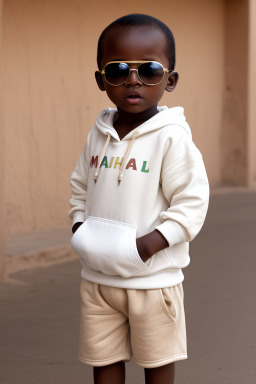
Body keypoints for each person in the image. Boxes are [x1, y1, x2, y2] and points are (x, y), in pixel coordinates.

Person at [69, 13, 209, 384]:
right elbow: (80, 185)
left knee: (157, 361)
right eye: (117, 70)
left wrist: (147, 245)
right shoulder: (97, 134)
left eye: (149, 69)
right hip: (98, 277)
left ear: (170, 79)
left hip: (151, 280)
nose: (133, 79)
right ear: (101, 80)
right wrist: (80, 227)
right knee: (104, 359)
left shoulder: (172, 138)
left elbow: (191, 202)